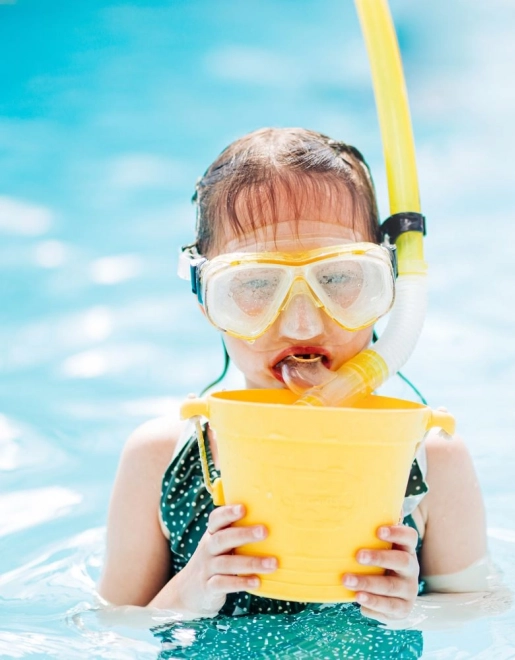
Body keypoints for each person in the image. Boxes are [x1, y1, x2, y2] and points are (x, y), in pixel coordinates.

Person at [98, 127, 489, 626]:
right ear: (205, 298)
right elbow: (105, 633)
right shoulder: (160, 458)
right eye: (256, 284)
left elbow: (482, 612)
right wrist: (187, 594)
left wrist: (410, 611)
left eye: (340, 279)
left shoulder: (432, 460)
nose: (303, 323)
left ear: (389, 285)